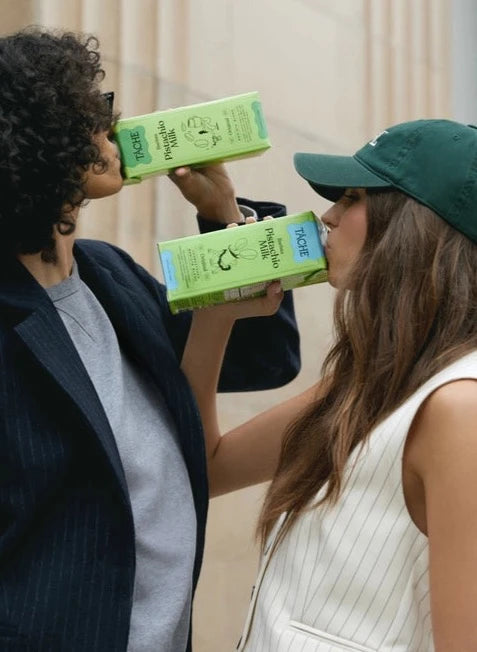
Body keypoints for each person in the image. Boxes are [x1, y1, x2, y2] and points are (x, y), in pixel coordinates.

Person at [0, 27, 301, 652]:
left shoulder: (111, 275)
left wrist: (221, 216)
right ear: (42, 139)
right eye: (93, 112)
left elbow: (264, 357)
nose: (114, 126)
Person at [181, 119, 477, 651]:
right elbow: (204, 467)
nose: (328, 216)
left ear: (413, 227)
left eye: (354, 197)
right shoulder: (371, 385)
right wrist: (216, 317)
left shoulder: (460, 407)